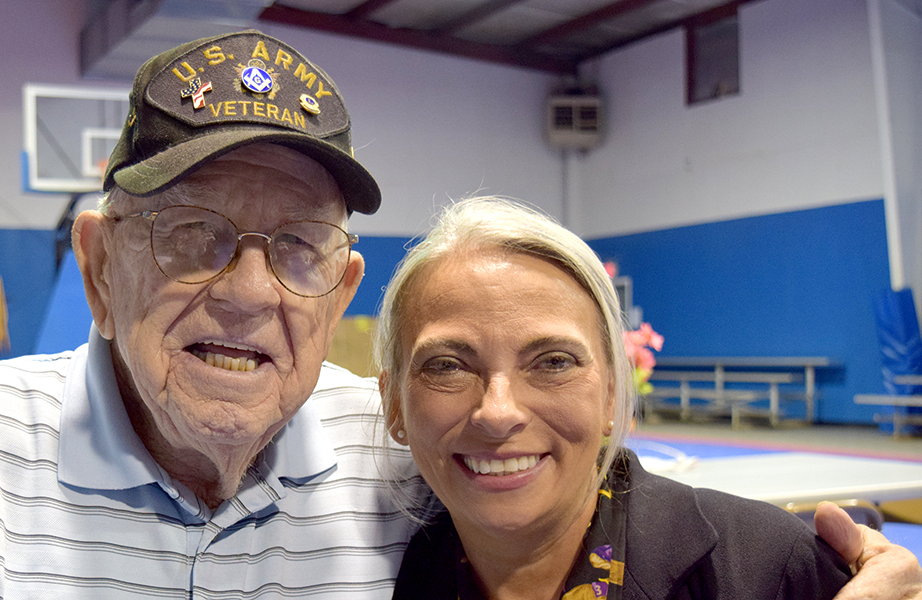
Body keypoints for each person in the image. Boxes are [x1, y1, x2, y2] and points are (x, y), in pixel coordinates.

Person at [0, 31, 920, 600]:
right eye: (193, 235)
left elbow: (605, 508)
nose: (251, 290)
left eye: (299, 247)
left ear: (346, 290)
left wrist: (825, 577)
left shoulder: (414, 451)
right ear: (99, 259)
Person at [372, 196, 914, 599]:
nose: (498, 410)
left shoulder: (768, 571)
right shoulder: (381, 577)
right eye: (447, 366)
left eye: (554, 362)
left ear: (612, 394)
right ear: (394, 403)